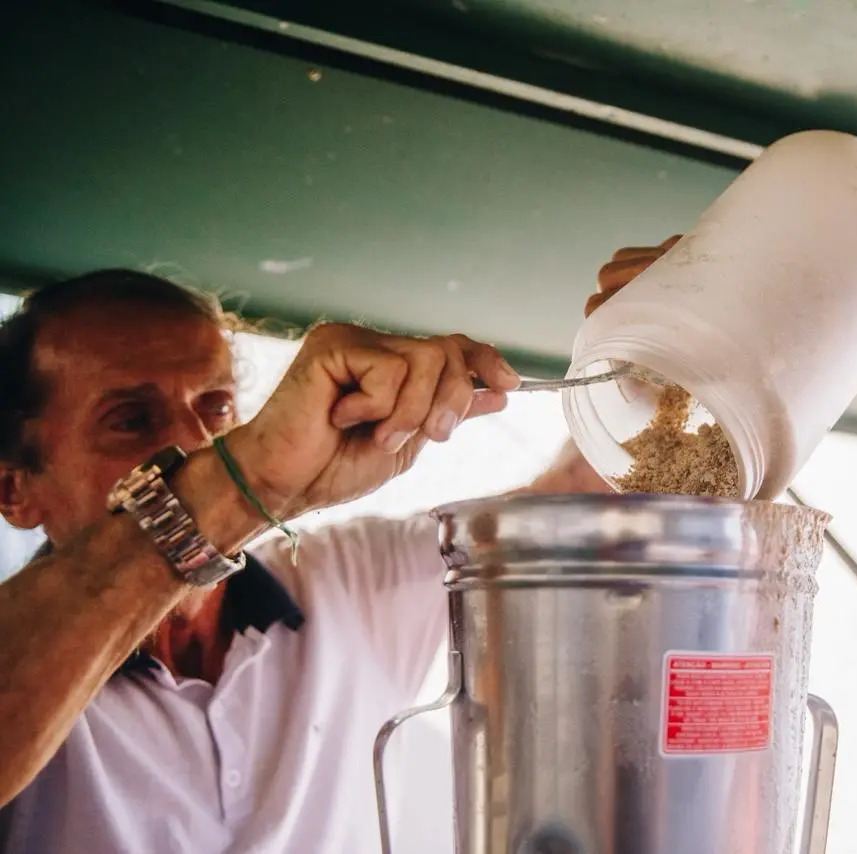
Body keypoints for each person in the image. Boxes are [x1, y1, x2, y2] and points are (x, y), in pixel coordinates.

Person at [0, 236, 679, 852]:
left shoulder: (340, 581)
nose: (196, 446)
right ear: (15, 489)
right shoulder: (27, 663)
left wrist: (655, 356)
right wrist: (245, 486)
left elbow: (578, 502)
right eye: (129, 420)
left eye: (217, 409)